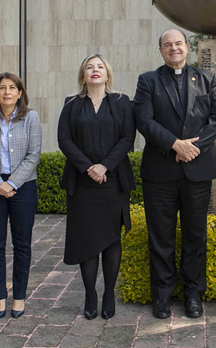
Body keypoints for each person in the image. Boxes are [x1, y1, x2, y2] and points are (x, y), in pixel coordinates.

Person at [133, 28, 216, 319]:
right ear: (161, 50)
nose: (173, 48)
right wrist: (174, 144)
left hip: (197, 171)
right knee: (160, 236)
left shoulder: (207, 78)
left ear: (187, 46)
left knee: (195, 235)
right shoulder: (148, 81)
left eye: (178, 43)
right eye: (167, 45)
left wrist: (191, 148)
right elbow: (144, 120)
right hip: (160, 172)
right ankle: (162, 295)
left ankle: (193, 294)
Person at [58, 54, 136, 320]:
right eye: (90, 67)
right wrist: (88, 168)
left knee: (112, 238)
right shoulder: (71, 104)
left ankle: (109, 293)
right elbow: (64, 139)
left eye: (100, 67)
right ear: (83, 74)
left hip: (113, 181)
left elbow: (127, 138)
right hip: (82, 183)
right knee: (87, 240)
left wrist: (104, 166)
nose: (95, 70)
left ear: (107, 73)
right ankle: (90, 294)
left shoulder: (122, 102)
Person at [0, 72, 42, 319]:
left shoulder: (31, 118)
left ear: (20, 92)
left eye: (12, 87)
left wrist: (12, 183)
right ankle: (0, 297)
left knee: (22, 245)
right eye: (2, 88)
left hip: (23, 187)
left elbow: (34, 155)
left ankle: (19, 297)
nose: (7, 92)